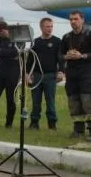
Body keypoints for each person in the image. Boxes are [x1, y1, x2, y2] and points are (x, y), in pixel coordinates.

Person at [27, 17, 64, 130]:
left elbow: (61, 58)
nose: (50, 29)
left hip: (50, 76)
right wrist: (27, 74)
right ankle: (34, 123)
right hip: (37, 76)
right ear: (41, 27)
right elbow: (30, 60)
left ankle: (52, 124)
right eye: (47, 26)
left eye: (51, 26)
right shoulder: (35, 42)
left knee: (50, 101)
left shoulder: (57, 41)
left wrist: (61, 71)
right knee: (36, 101)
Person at [59, 10, 91, 139]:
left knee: (87, 102)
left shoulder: (89, 34)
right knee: (74, 102)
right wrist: (66, 56)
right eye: (71, 19)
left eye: (76, 19)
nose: (73, 21)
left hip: (87, 73)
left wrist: (81, 55)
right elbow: (60, 56)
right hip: (71, 74)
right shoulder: (66, 37)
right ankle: (78, 131)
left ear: (82, 20)